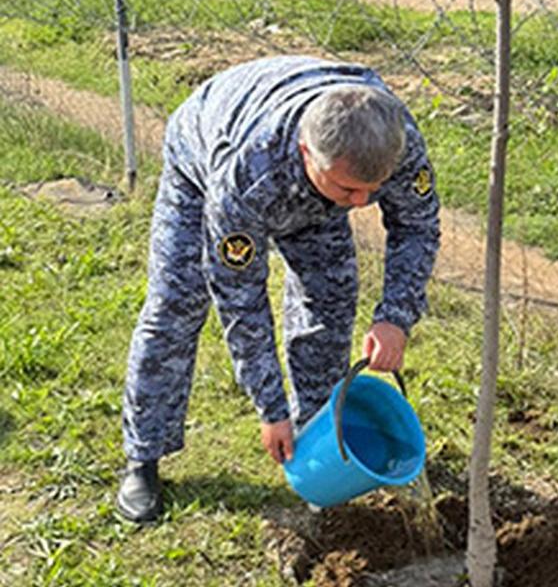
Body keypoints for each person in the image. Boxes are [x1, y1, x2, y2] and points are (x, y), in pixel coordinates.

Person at [116, 56, 440, 523]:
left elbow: (418, 226)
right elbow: (240, 297)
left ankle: (321, 445)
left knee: (329, 303)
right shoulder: (248, 171)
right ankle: (143, 457)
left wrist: (395, 315)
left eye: (373, 189)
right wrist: (269, 407)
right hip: (202, 159)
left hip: (308, 187)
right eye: (350, 190)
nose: (362, 203)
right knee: (176, 303)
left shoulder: (397, 140)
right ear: (310, 153)